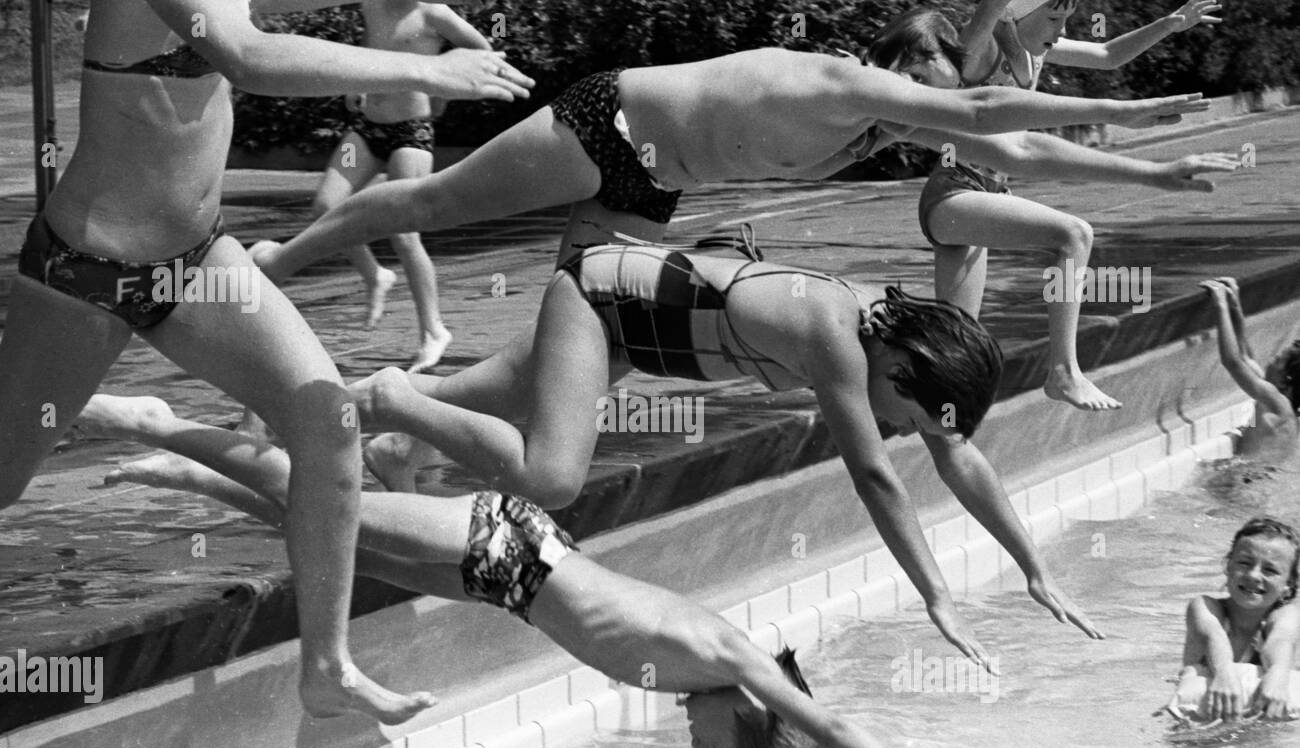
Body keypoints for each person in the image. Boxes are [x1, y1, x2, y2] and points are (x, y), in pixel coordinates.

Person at [76, 395, 1005, 748]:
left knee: (321, 535)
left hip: (501, 582)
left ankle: (191, 469)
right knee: (319, 486)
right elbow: (832, 730)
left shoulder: (721, 680)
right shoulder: (729, 656)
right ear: (757, 717)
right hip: (510, 545)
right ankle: (158, 421)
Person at [3, 0, 532, 724]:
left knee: (327, 422)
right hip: (89, 268)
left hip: (196, 264)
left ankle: (327, 667)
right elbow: (247, 55)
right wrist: (425, 68)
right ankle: (87, 409)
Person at [347, 237, 1103, 669]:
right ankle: (394, 399)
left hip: (629, 316)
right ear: (902, 371)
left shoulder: (892, 345)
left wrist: (1031, 564)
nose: (903, 433)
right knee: (551, 475)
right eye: (908, 418)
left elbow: (957, 454)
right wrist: (938, 595)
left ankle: (382, 432)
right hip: (605, 306)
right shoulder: (838, 342)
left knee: (483, 396)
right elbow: (875, 476)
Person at [247, 35, 1216, 278]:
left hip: (651, 182)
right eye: (925, 78)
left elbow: (1019, 143)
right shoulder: (843, 82)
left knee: (591, 322)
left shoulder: (889, 125)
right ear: (898, 62)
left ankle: (429, 417)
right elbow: (983, 101)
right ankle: (276, 263)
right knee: (430, 205)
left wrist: (1153, 173)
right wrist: (1129, 113)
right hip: (605, 127)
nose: (933, 101)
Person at [917, 0, 1222, 410]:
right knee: (1073, 236)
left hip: (984, 198)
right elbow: (982, 22)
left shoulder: (1037, 48)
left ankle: (878, 385)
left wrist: (1168, 25)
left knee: (956, 346)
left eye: (1066, 20)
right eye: (1055, 18)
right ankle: (1063, 371)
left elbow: (1108, 55)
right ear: (1014, 13)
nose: (1061, 30)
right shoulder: (987, 46)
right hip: (954, 194)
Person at [314, 1, 493, 372]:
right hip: (366, 129)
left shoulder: (434, 15)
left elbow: (483, 50)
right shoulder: (372, 5)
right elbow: (368, 47)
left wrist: (445, 91)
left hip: (410, 133)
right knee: (325, 206)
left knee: (404, 233)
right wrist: (355, 81)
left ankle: (433, 330)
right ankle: (375, 275)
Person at [1171, 517, 1300, 722]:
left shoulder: (1287, 614)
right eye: (1244, 563)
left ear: (1289, 584)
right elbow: (1213, 636)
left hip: (1265, 717)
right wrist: (1223, 673)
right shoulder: (1205, 606)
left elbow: (1281, 640)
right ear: (1228, 566)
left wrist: (1277, 673)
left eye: (1270, 570)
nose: (1254, 575)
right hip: (1203, 716)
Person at [1199, 277, 1300, 463]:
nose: (1273, 357)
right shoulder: (1279, 400)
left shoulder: (1277, 402)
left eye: (1278, 358)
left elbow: (1232, 362)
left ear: (1286, 376)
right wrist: (1234, 304)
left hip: (1249, 483)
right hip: (1257, 479)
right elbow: (1244, 356)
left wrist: (1220, 306)